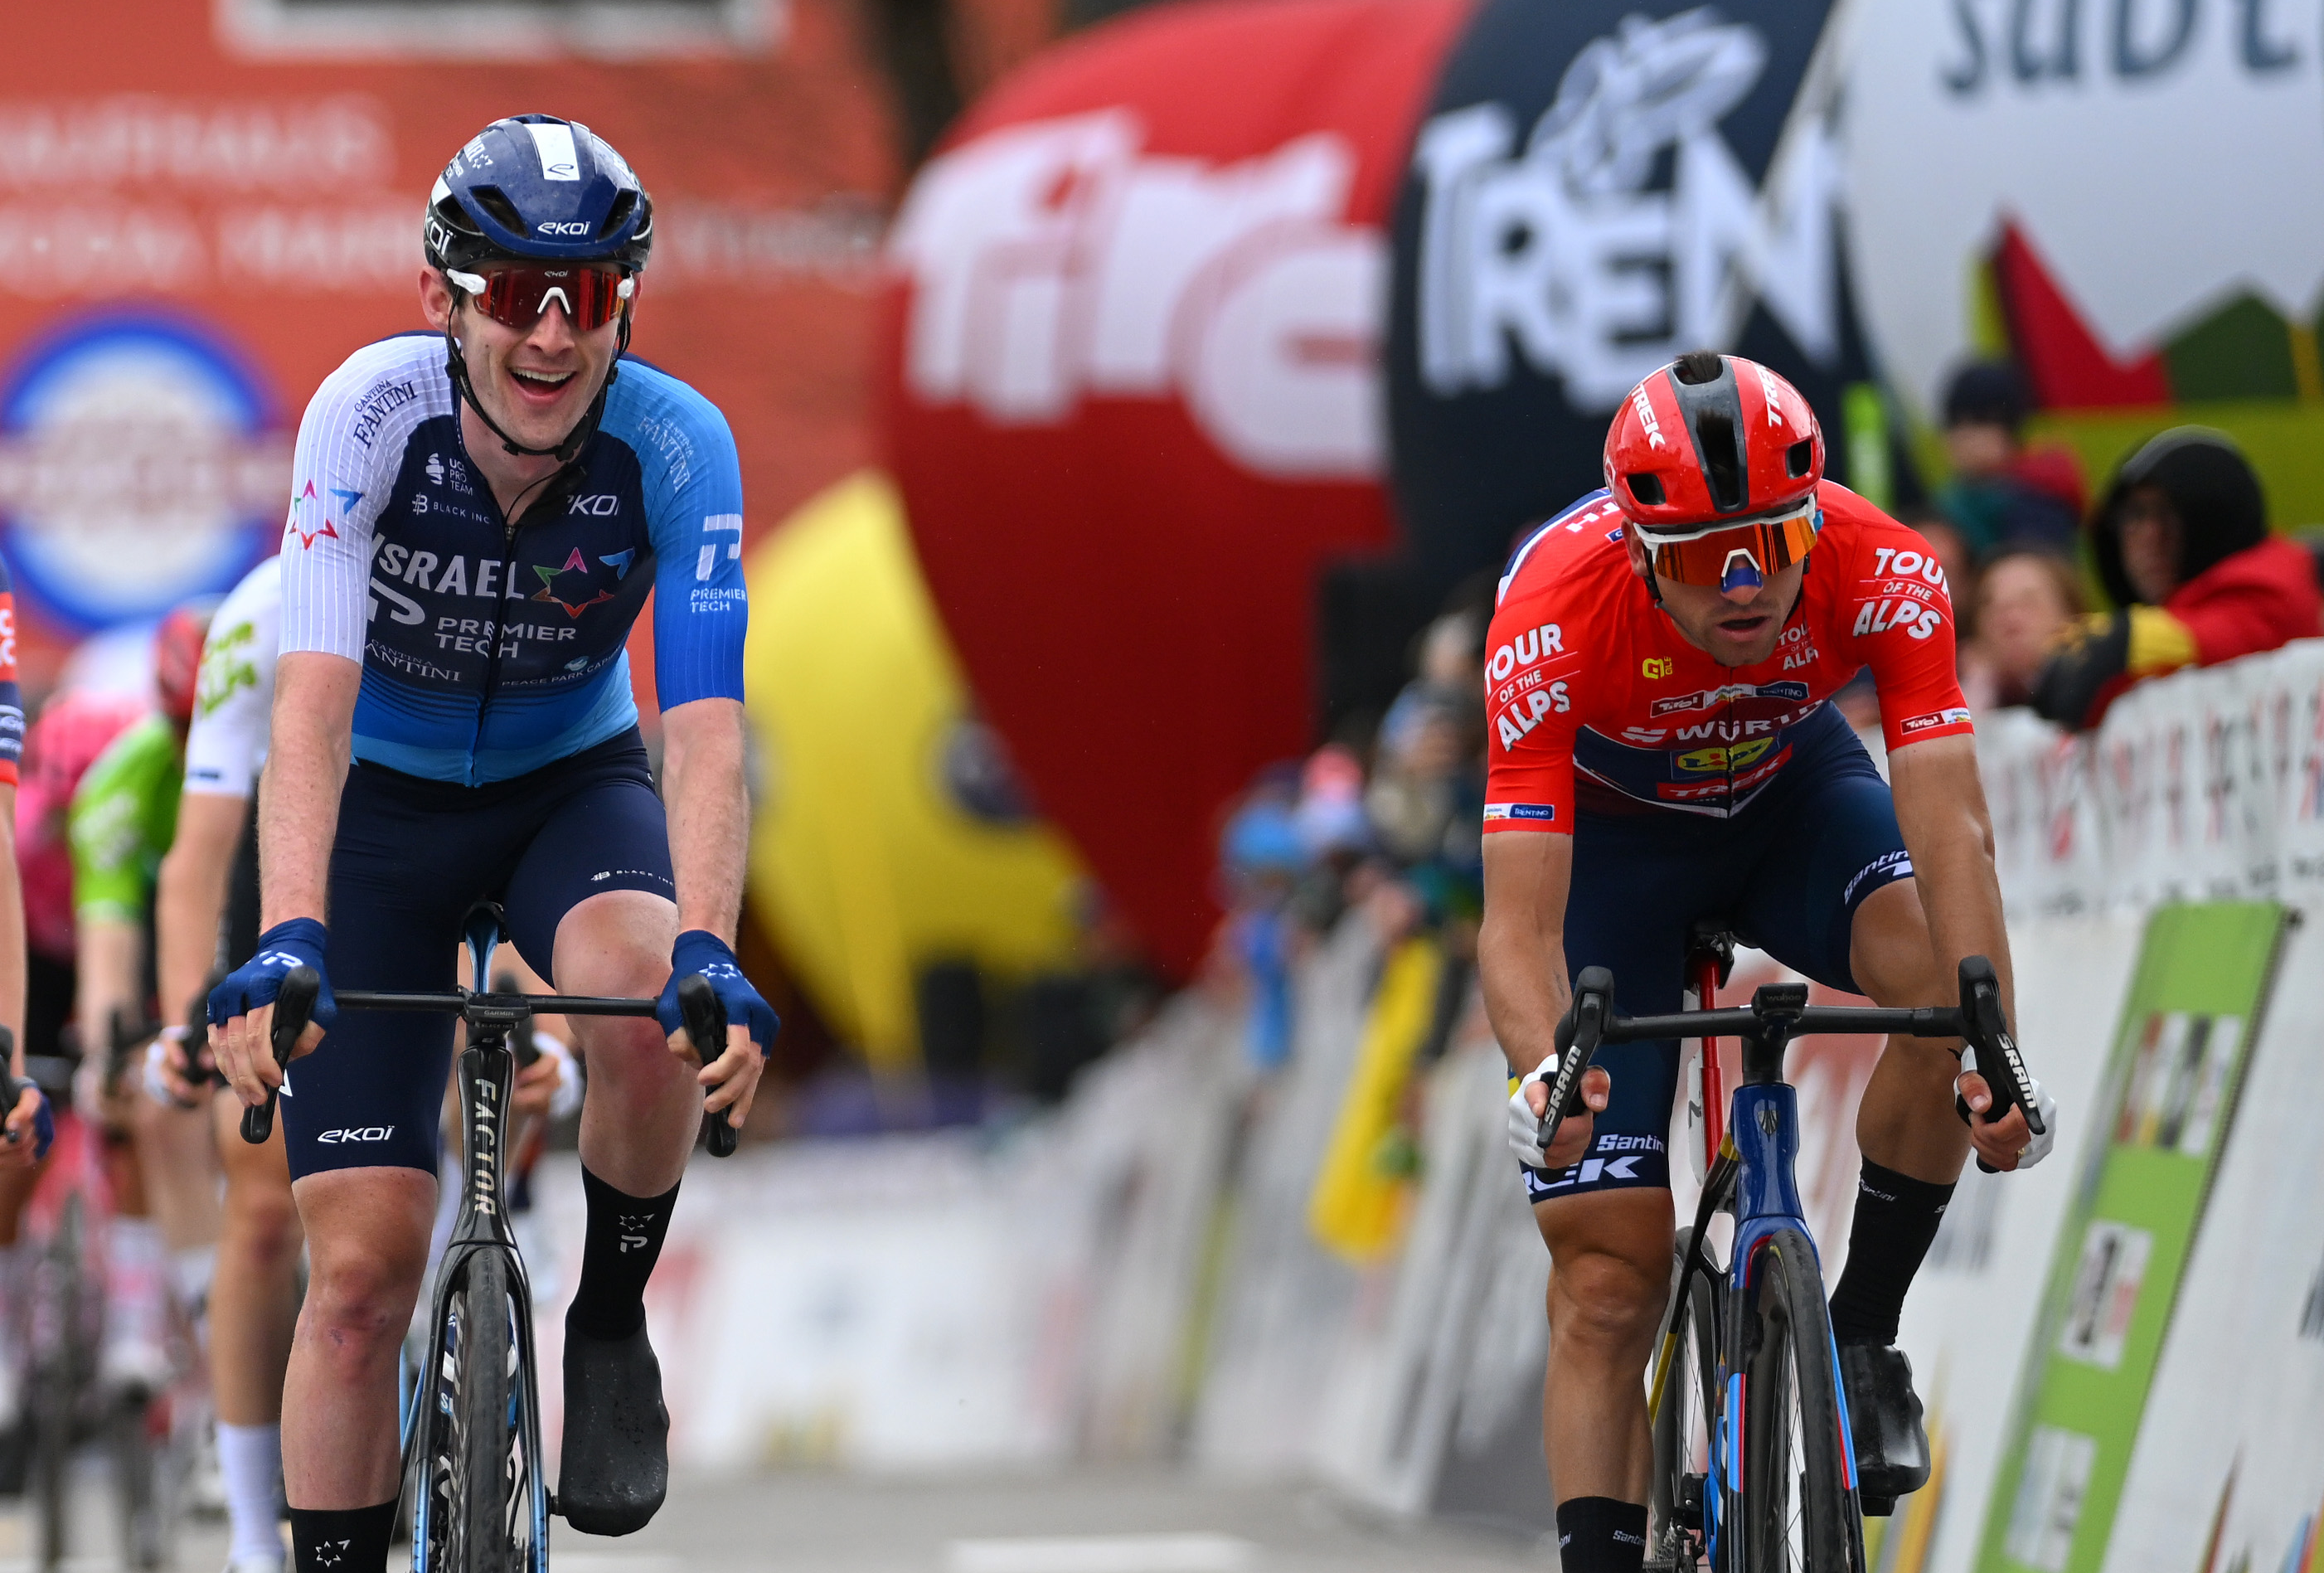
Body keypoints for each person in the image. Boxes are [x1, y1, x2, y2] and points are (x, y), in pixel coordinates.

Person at [203, 114, 774, 1573]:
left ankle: (606, 1315)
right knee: (354, 1286)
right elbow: (311, 708)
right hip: (377, 813)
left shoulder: (675, 441)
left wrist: (709, 943)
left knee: (649, 1009)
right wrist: (289, 933)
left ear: (624, 309)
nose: (550, 333)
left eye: (586, 298)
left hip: (563, 785)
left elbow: (703, 728)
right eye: (514, 291)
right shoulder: (364, 417)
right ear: (440, 297)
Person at [1477, 351, 2057, 1568]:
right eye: (1695, 558)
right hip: (1615, 864)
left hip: (1791, 803)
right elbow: (1519, 924)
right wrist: (1543, 1076)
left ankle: (1857, 1333)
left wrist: (1989, 1043)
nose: (1741, 586)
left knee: (1937, 994)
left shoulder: (1886, 562)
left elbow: (1949, 827)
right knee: (1606, 1278)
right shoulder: (1547, 611)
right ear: (1637, 552)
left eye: (1769, 543)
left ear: (1811, 519)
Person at [2034, 427, 2322, 731]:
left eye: (2168, 513)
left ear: (2215, 517)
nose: (2149, 536)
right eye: (2134, 515)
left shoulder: (2273, 585)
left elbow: (2235, 633)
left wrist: (2131, 641)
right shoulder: (2172, 614)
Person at [1934, 360, 2084, 557]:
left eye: (1978, 423)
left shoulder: (2039, 501)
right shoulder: (1949, 502)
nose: (1962, 436)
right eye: (1954, 423)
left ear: (2009, 432)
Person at [1960, 549, 2083, 712]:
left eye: (2028, 603)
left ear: (2070, 613)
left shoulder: (2105, 696)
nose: (2009, 621)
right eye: (1994, 608)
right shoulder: (1961, 696)